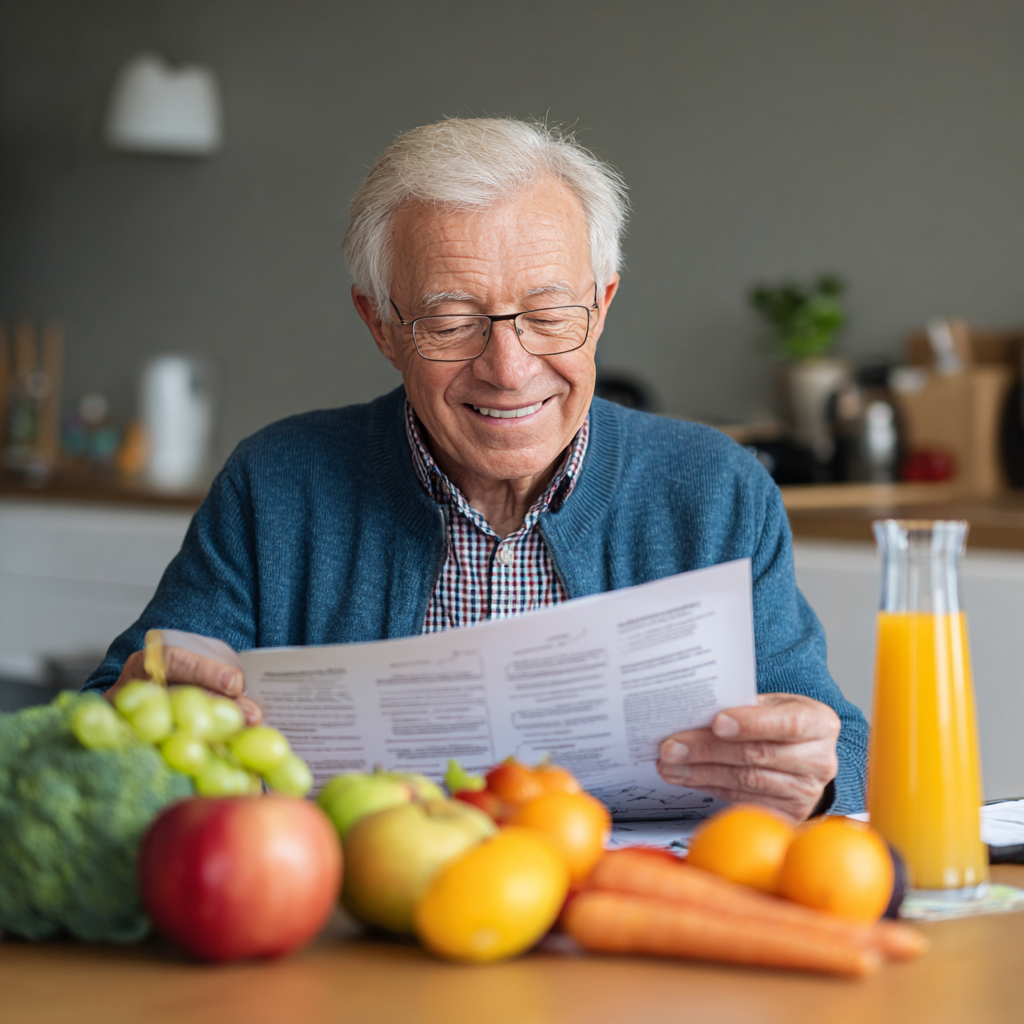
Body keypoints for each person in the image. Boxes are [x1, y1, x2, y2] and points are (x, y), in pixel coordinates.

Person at [85, 118, 866, 821]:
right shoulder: (278, 484)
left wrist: (816, 777)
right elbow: (106, 713)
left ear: (603, 302)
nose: (509, 367)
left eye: (550, 314)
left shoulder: (715, 490)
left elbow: (846, 750)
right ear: (380, 325)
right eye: (452, 321)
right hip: (347, 944)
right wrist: (137, 716)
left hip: (631, 937)